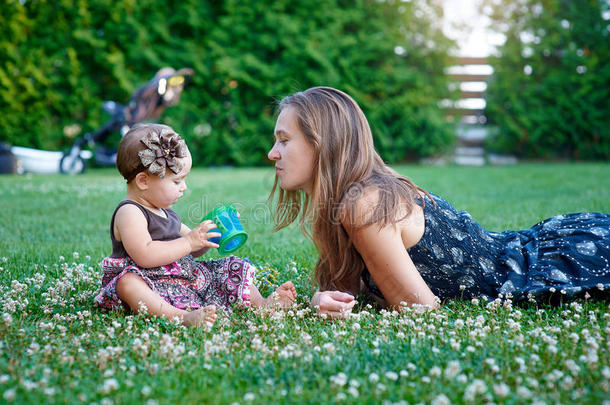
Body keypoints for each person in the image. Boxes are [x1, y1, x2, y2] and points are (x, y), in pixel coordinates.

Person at [267, 86, 610, 318]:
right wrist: (320, 300)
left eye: (284, 140)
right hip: (532, 246)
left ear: (323, 143)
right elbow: (346, 291)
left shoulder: (365, 205)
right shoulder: (346, 204)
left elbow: (420, 311)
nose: (273, 154)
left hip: (552, 263)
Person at [95, 123, 296, 327]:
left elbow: (192, 250)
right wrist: (189, 242)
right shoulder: (130, 212)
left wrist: (209, 235)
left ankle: (262, 304)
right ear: (143, 181)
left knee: (228, 268)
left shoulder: (165, 212)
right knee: (127, 283)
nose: (184, 187)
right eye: (177, 182)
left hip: (182, 279)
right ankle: (179, 316)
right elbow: (144, 255)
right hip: (149, 284)